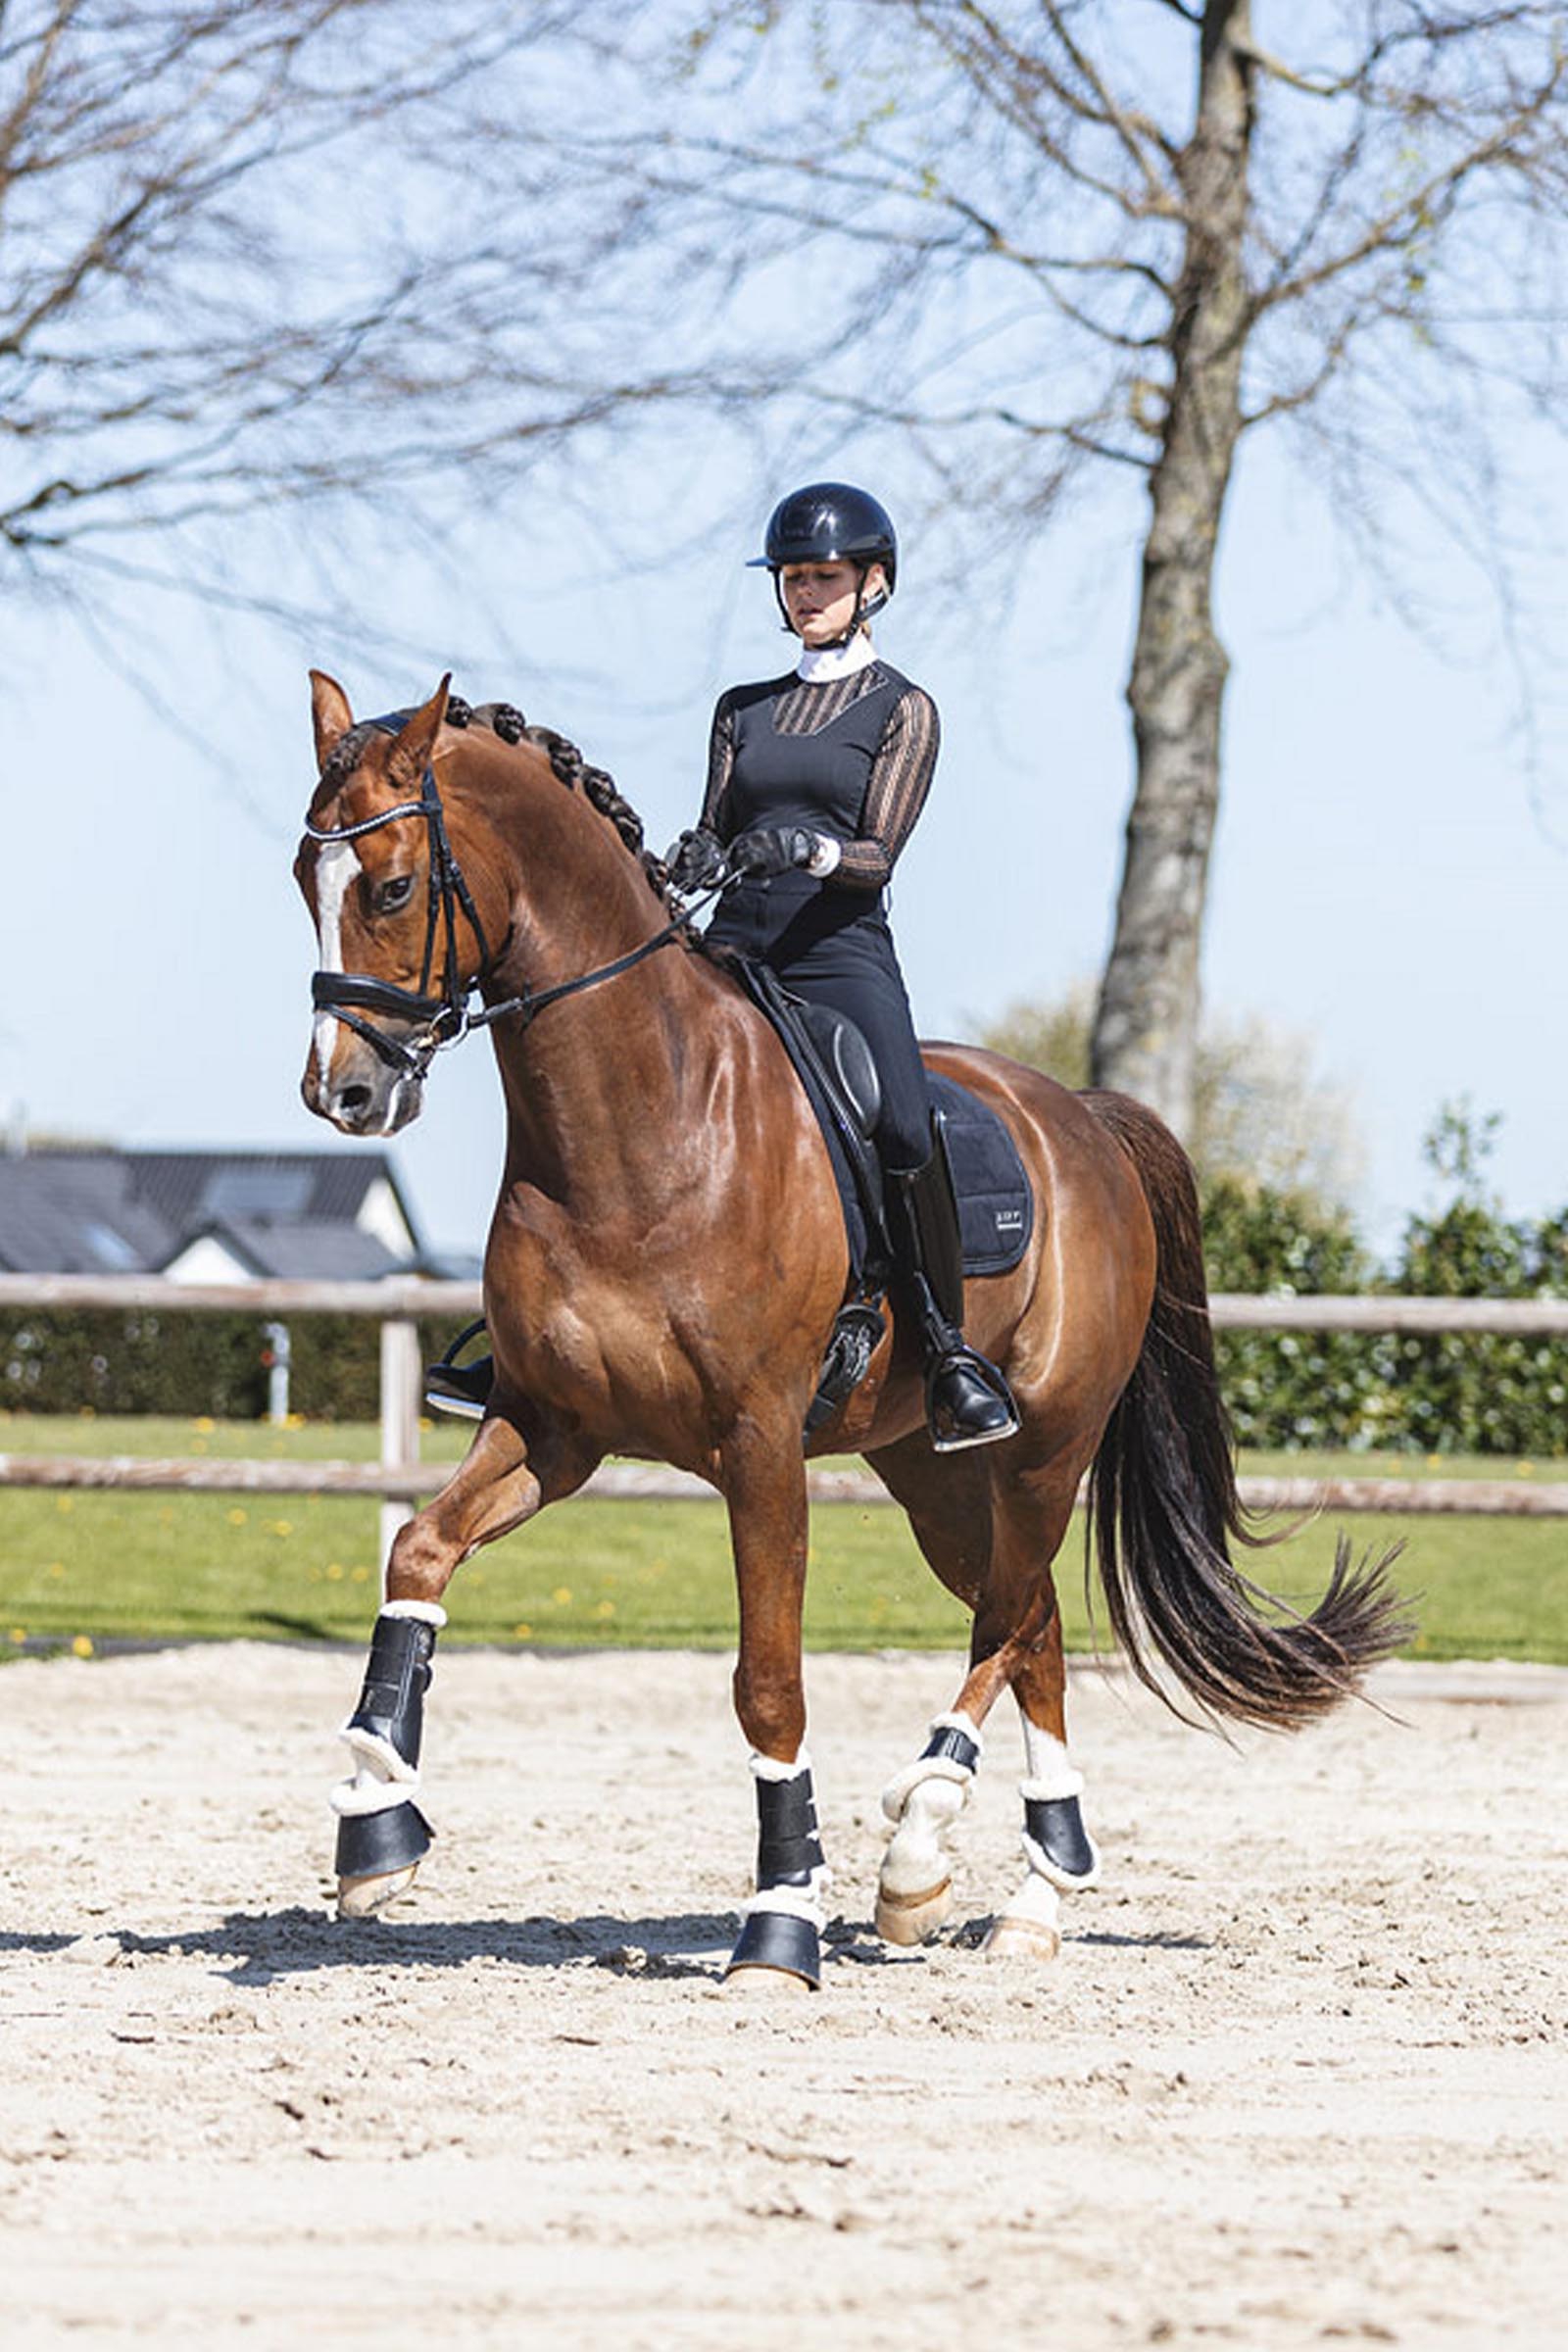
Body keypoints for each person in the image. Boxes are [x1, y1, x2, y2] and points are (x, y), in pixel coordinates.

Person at [665, 481, 1018, 1452]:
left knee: (904, 1120)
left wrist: (808, 853)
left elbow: (875, 855)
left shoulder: (903, 710)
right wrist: (694, 857)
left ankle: (947, 1348)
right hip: (733, 945)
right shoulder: (743, 710)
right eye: (792, 578)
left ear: (872, 584)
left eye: (824, 577)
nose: (806, 593)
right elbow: (713, 824)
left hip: (836, 950)